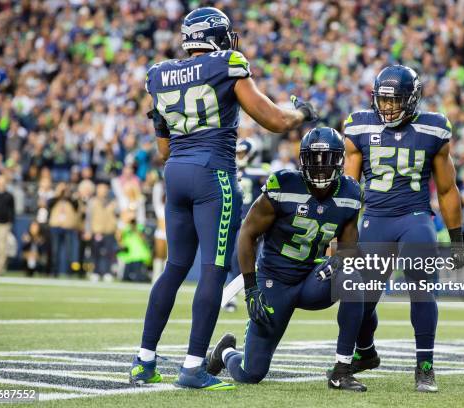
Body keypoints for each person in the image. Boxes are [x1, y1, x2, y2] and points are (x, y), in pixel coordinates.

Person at [130, 6, 317, 390]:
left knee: (175, 267)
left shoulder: (159, 74)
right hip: (212, 174)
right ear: (217, 36)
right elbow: (275, 120)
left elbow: (163, 147)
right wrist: (300, 114)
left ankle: (143, 361)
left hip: (175, 173)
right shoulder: (226, 64)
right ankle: (193, 366)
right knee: (214, 270)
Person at [207, 127, 366, 391]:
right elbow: (247, 234)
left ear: (339, 161)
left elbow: (349, 249)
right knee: (251, 373)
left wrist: (337, 262)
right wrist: (251, 288)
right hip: (274, 281)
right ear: (302, 159)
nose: (319, 168)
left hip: (311, 280)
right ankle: (224, 353)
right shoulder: (284, 184)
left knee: (352, 278)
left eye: (326, 160)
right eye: (313, 160)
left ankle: (342, 369)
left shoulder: (350, 193)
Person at [343, 65, 464, 392]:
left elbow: (447, 190)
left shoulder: (434, 128)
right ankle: (366, 352)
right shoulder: (359, 125)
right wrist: (341, 237)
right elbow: (348, 189)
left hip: (415, 219)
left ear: (412, 100)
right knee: (359, 299)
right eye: (382, 100)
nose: (386, 107)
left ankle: (425, 366)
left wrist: (456, 243)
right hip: (375, 220)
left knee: (423, 287)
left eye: (394, 100)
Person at [223, 138, 269, 312]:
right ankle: (232, 296)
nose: (239, 156)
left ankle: (262, 295)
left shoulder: (261, 171)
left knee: (260, 260)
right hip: (239, 220)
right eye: (238, 153)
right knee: (237, 258)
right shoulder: (232, 170)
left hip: (257, 222)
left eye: (242, 153)